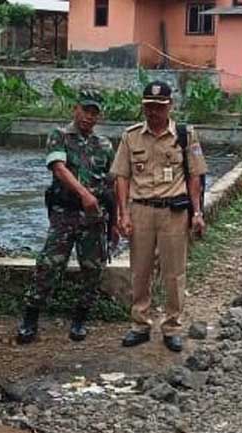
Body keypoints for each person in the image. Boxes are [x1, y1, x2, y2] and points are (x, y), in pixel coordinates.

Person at [112, 81, 207, 353]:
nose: (153, 112)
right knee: (139, 270)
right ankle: (140, 324)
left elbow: (194, 176)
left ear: (170, 107)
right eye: (149, 107)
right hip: (141, 209)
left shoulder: (185, 135)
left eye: (159, 107)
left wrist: (197, 212)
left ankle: (172, 326)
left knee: (174, 272)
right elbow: (122, 177)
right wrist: (124, 213)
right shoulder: (131, 137)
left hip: (173, 213)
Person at [17, 91, 116, 344]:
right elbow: (59, 168)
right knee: (48, 266)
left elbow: (113, 183)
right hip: (65, 214)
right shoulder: (59, 136)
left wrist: (115, 220)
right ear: (75, 109)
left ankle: (80, 319)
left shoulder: (104, 145)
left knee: (93, 269)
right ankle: (30, 318)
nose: (89, 116)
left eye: (94, 112)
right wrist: (84, 194)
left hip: (94, 219)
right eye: (85, 110)